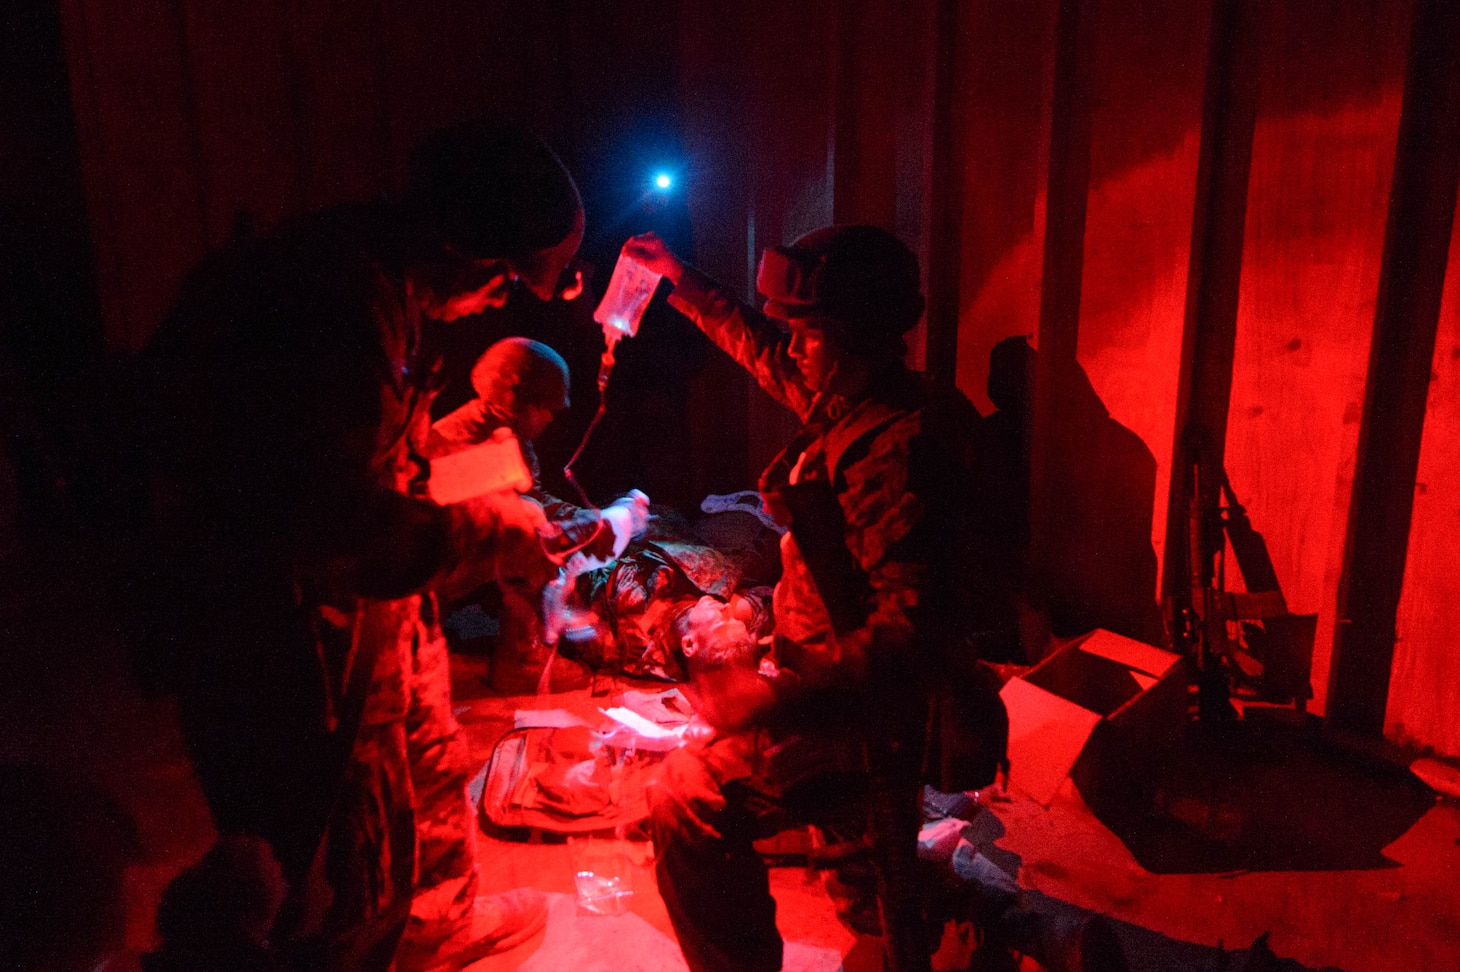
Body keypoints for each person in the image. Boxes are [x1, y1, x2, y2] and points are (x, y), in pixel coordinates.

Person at [141, 120, 587, 972]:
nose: (500, 301)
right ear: (467, 242)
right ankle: (363, 945)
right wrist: (494, 531)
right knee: (349, 827)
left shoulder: (383, 285)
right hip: (285, 630)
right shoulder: (336, 305)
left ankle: (437, 923)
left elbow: (376, 464)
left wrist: (453, 488)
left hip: (357, 608)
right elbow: (329, 526)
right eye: (501, 279)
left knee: (423, 750)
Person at [622, 226, 1015, 972]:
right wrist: (680, 278)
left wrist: (772, 706)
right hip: (820, 678)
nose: (793, 349)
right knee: (869, 891)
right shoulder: (856, 396)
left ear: (852, 338)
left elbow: (911, 636)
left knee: (688, 797)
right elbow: (762, 346)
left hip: (866, 710)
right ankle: (996, 918)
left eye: (809, 334)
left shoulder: (903, 449)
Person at [423, 336, 651, 691]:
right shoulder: (461, 443)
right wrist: (594, 529)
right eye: (545, 407)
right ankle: (520, 661)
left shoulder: (506, 434)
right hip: (440, 568)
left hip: (468, 559)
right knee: (531, 553)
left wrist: (590, 517)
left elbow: (534, 498)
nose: (550, 418)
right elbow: (516, 531)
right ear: (516, 397)